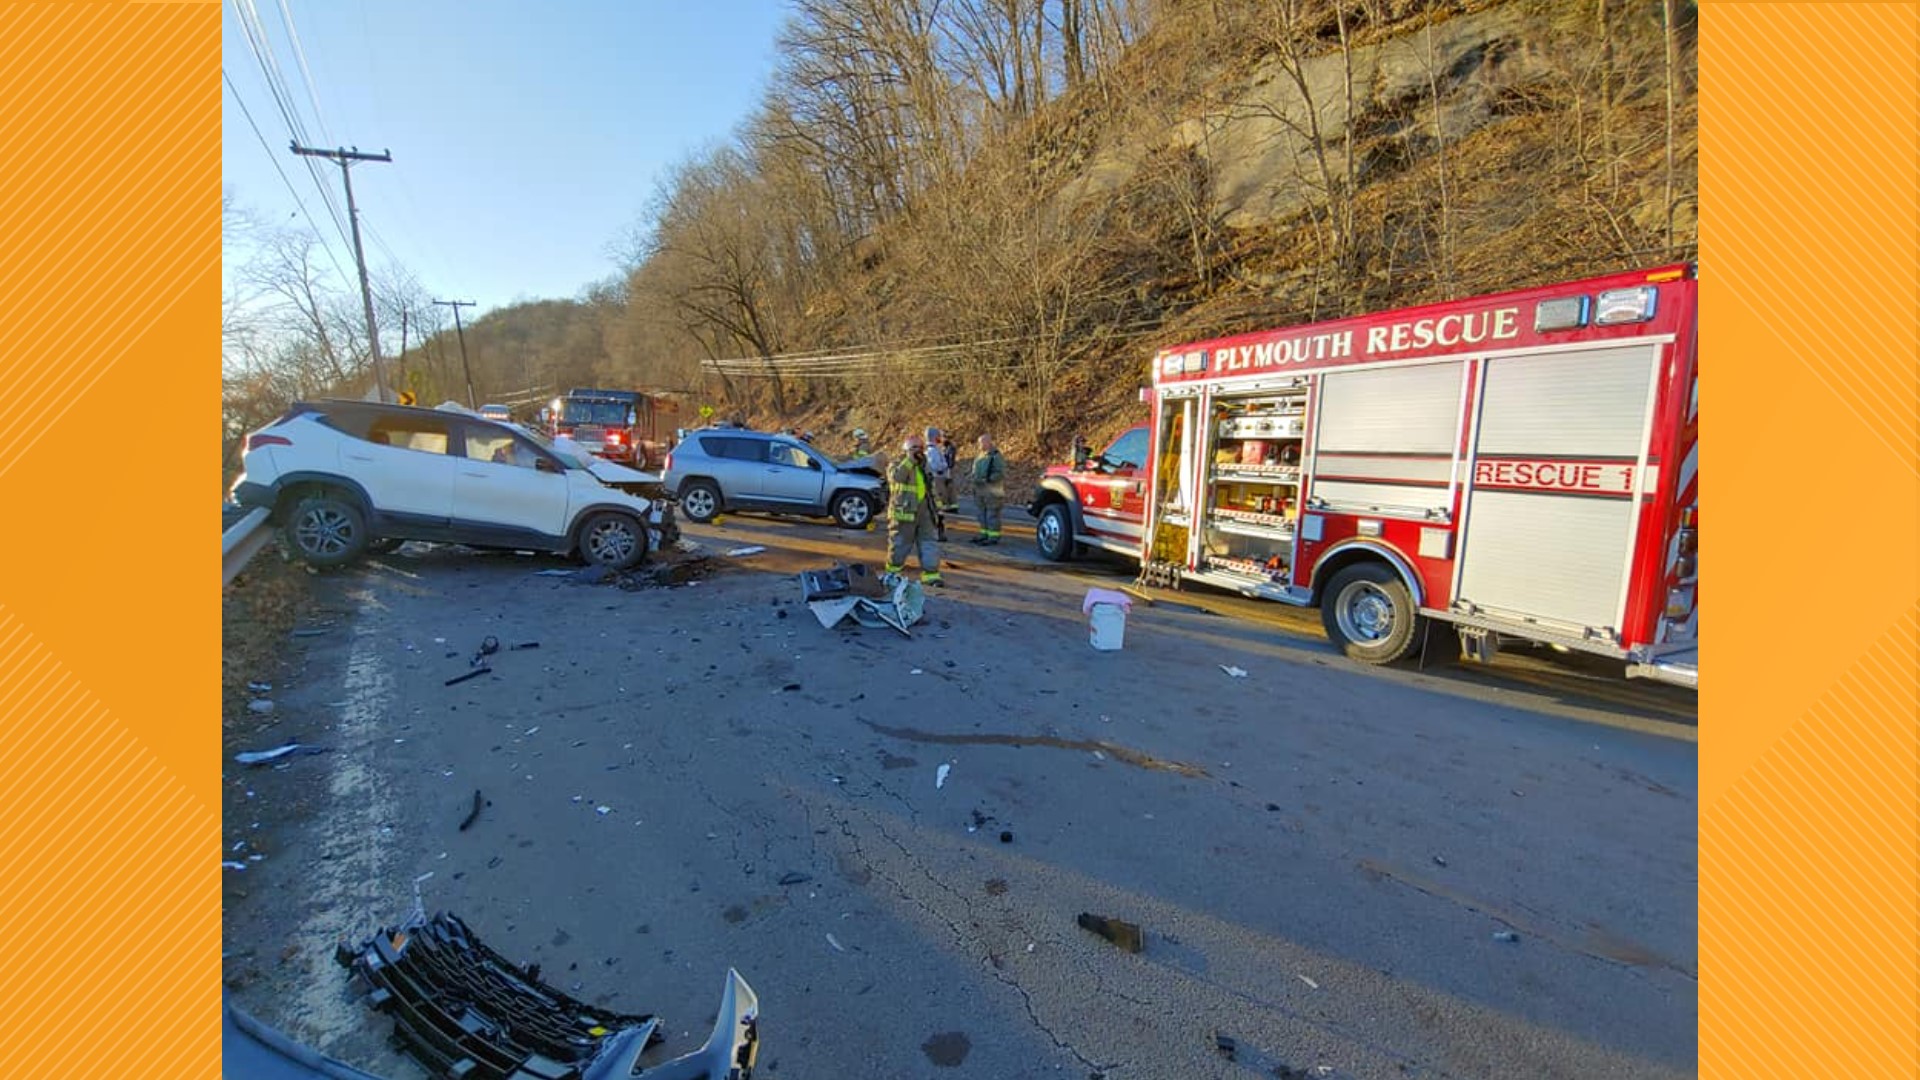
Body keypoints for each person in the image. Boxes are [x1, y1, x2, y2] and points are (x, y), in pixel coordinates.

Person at [885, 432, 945, 587]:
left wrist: (938, 510)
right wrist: (909, 460)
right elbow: (896, 477)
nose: (918, 451)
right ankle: (892, 573)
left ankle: (931, 575)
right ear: (906, 449)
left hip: (925, 512)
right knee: (900, 543)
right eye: (914, 448)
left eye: (920, 448)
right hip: (903, 513)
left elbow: (931, 488)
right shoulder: (897, 463)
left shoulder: (925, 465)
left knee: (929, 542)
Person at [969, 434, 1007, 546]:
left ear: (989, 442)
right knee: (981, 513)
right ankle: (984, 534)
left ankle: (993, 537)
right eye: (979, 442)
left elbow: (1000, 473)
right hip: (980, 490)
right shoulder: (980, 456)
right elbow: (975, 471)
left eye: (982, 442)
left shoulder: (996, 456)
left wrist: (988, 479)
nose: (979, 445)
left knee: (992, 514)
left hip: (993, 491)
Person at [922, 427, 951, 541]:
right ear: (935, 437)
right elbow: (936, 466)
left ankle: (936, 532)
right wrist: (944, 465)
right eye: (938, 436)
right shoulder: (933, 452)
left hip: (935, 481)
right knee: (937, 509)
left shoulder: (929, 451)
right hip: (936, 481)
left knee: (935, 508)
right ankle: (938, 533)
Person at [938, 432, 961, 510]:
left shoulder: (950, 448)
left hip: (949, 469)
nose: (942, 439)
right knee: (947, 488)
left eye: (944, 437)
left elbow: (950, 460)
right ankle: (950, 504)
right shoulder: (944, 447)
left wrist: (948, 471)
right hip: (946, 469)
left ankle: (953, 506)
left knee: (950, 488)